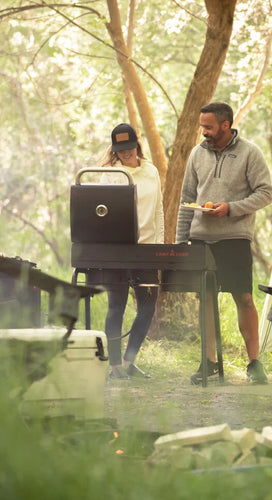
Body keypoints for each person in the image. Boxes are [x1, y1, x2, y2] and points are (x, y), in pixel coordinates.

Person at [176, 102, 272, 385]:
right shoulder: (197, 153)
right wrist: (181, 242)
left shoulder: (249, 153)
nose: (203, 132)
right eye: (201, 126)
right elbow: (186, 200)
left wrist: (230, 208)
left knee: (243, 298)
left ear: (225, 125)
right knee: (205, 299)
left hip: (235, 238)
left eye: (208, 126)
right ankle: (208, 362)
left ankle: (254, 362)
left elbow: (266, 193)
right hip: (200, 239)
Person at [95, 123, 165, 380]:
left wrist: (160, 246)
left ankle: (128, 361)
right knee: (117, 307)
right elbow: (101, 215)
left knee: (147, 306)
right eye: (119, 149)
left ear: (137, 144)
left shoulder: (151, 171)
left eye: (128, 147)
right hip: (118, 250)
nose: (125, 153)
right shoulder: (110, 174)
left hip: (147, 249)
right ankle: (114, 367)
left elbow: (158, 210)